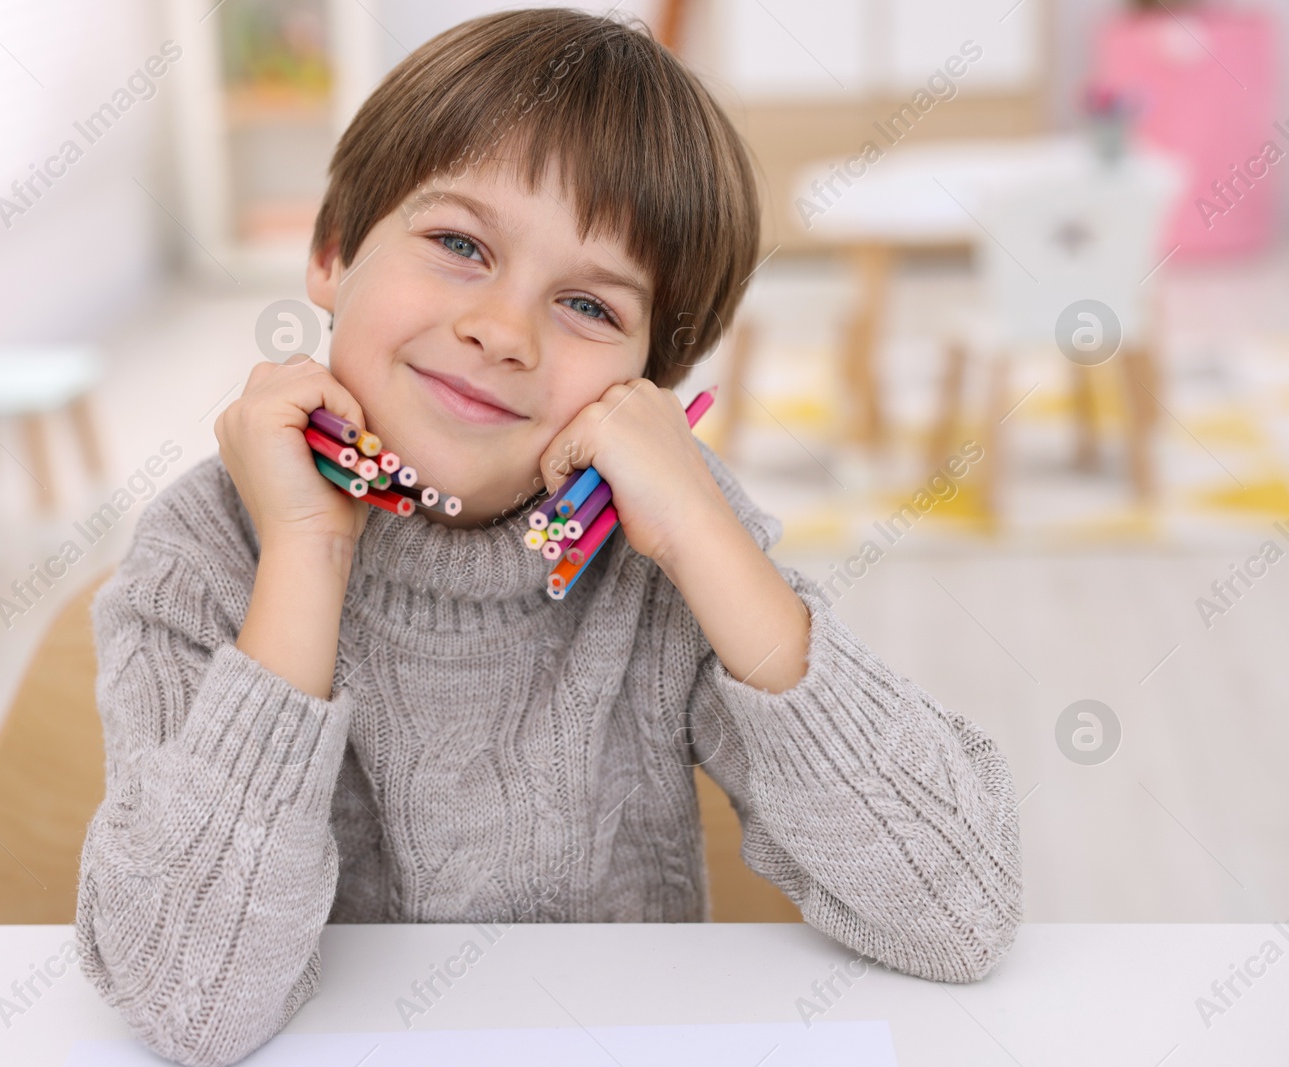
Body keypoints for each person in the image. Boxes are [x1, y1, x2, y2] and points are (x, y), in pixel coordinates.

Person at [75, 10, 1022, 1065]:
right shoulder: (202, 554)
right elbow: (186, 1001)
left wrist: (707, 538)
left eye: (585, 304)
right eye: (458, 245)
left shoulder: (664, 544)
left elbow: (956, 908)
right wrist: (306, 549)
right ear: (333, 251)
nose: (504, 332)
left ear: (648, 389)